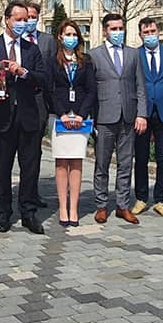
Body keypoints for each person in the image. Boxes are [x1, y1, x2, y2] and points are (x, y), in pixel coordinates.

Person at [0, 1, 47, 235]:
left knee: (29, 166)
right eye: (17, 19)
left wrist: (23, 72)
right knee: (3, 166)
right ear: (6, 19)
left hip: (28, 115)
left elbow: (43, 78)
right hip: (2, 115)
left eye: (25, 19)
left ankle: (28, 212)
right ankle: (4, 212)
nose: (22, 23)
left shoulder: (31, 49)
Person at [89, 13, 147, 225]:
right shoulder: (94, 55)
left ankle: (122, 205)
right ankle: (101, 205)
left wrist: (142, 113)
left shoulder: (133, 54)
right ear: (105, 30)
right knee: (102, 164)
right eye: (113, 29)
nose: (117, 32)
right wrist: (90, 118)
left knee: (125, 163)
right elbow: (90, 89)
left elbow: (140, 86)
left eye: (120, 28)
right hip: (104, 117)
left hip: (128, 116)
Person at [45, 20, 96, 227]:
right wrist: (62, 113)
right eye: (67, 34)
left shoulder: (86, 61)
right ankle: (63, 208)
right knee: (61, 163)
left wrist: (82, 114)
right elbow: (49, 90)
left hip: (80, 118)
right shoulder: (52, 61)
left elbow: (91, 90)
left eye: (74, 34)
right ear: (60, 37)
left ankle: (74, 208)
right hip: (60, 117)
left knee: (76, 162)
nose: (71, 38)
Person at [132, 17, 163, 219]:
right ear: (141, 35)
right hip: (142, 114)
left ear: (158, 32)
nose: (150, 35)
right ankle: (141, 198)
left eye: (153, 31)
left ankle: (160, 199)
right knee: (141, 158)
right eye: (146, 32)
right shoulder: (135, 56)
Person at [23, 1, 57, 209]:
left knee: (34, 150)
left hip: (39, 101)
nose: (29, 20)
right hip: (17, 100)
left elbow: (52, 71)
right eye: (25, 17)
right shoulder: (14, 41)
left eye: (33, 16)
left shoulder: (48, 41)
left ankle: (32, 193)